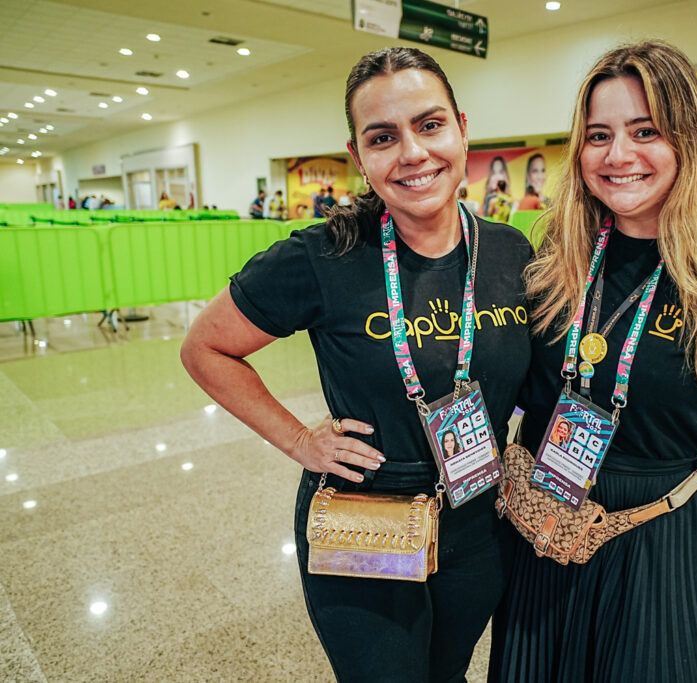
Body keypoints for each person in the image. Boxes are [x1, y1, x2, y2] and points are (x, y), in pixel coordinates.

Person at [180, 47, 532, 682]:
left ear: (462, 128)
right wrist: (298, 439)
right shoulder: (324, 256)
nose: (413, 153)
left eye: (429, 125)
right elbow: (204, 346)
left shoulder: (510, 252)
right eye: (382, 137)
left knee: (447, 674)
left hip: (480, 518)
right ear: (358, 156)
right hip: (365, 517)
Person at [489, 41, 697, 682]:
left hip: (665, 524)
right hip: (547, 518)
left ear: (687, 140)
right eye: (599, 135)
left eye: (646, 132)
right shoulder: (557, 254)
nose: (619, 156)